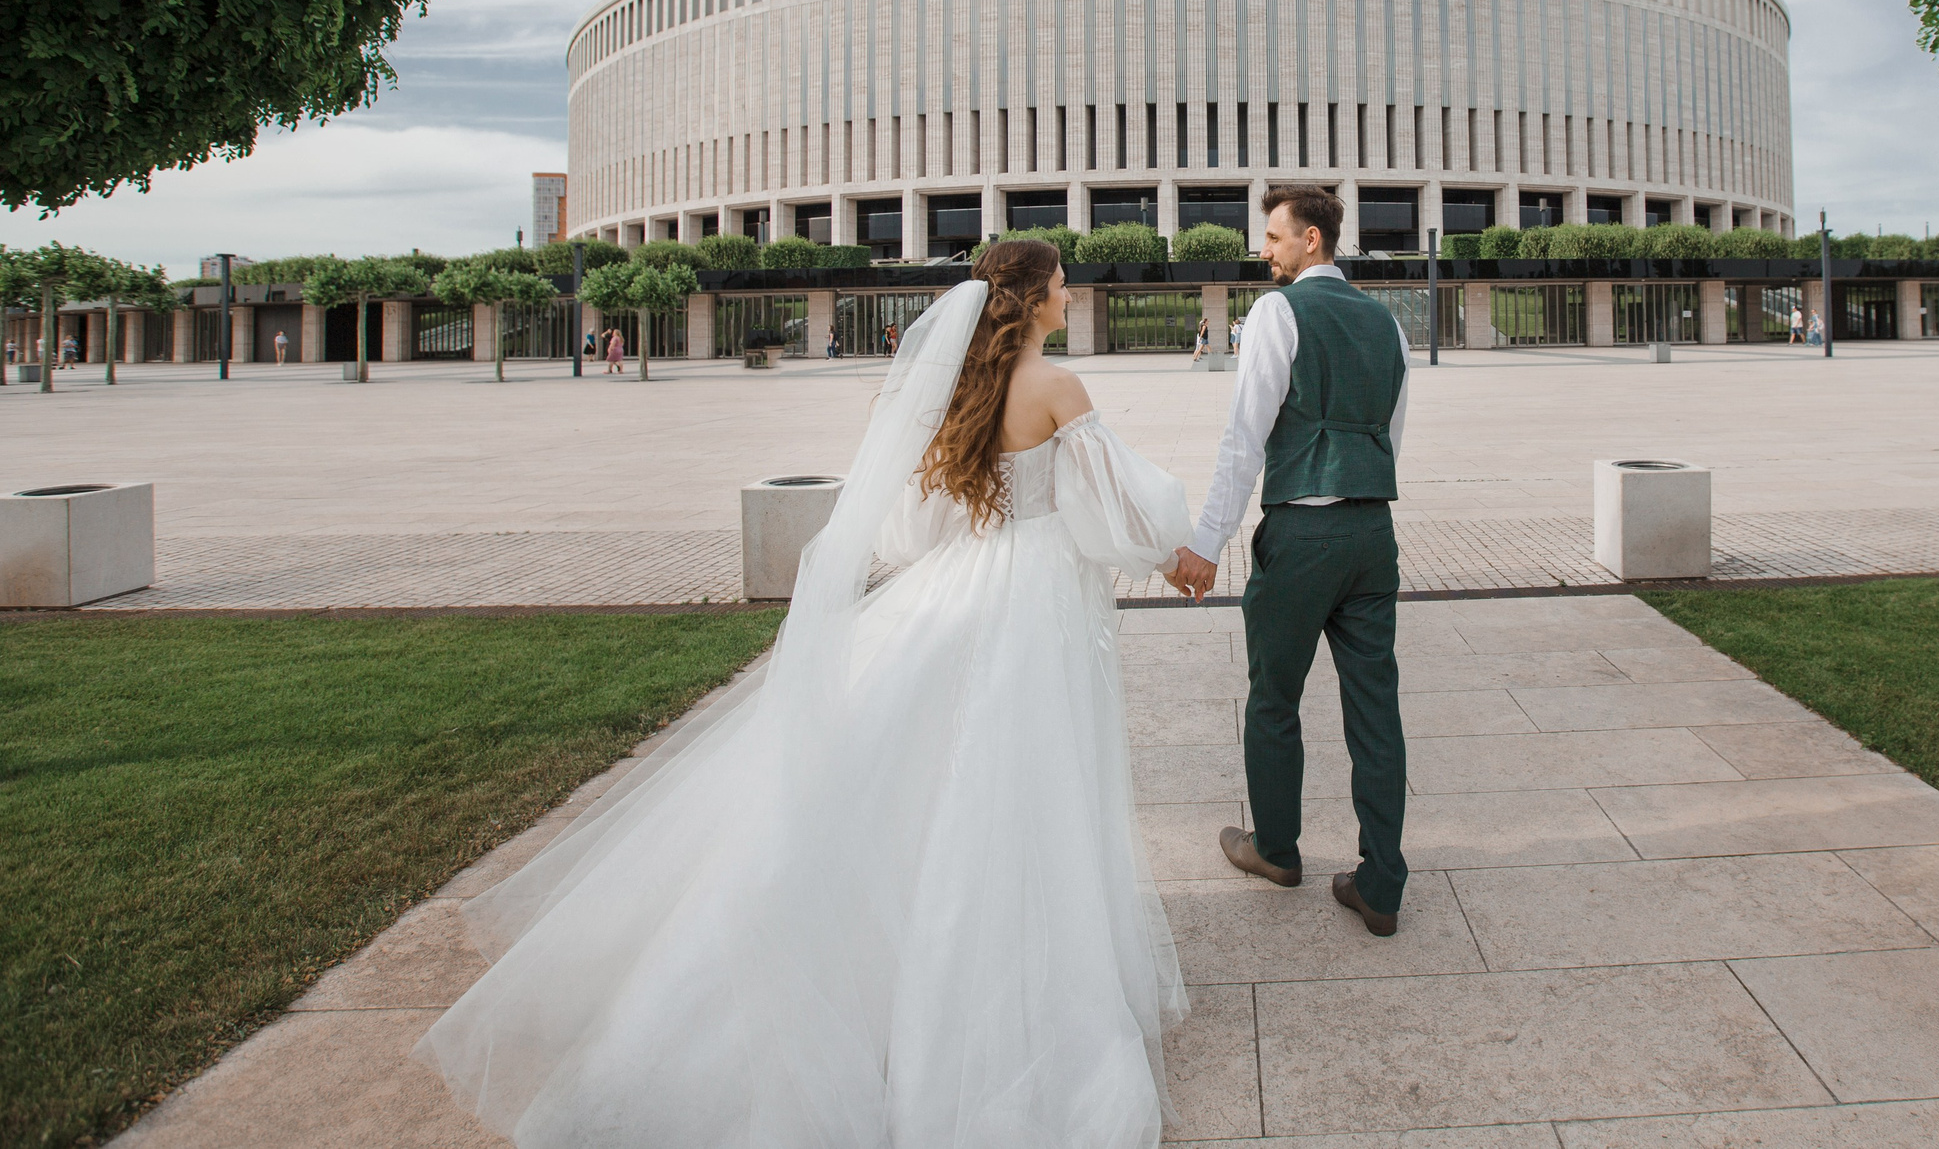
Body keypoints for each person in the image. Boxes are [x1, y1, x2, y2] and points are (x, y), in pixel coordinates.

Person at [416, 242, 1194, 1145]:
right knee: (1029, 771)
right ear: (1030, 299)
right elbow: (1113, 505)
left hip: (967, 576)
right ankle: (1018, 971)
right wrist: (1170, 554)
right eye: (1060, 283)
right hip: (1036, 590)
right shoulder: (1057, 386)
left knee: (936, 769)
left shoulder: (960, 387)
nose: (1070, 293)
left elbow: (919, 525)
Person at [1167, 185, 1411, 939]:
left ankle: (1276, 850)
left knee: (1274, 698)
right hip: (1372, 532)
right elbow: (1390, 433)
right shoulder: (1388, 323)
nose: (1263, 249)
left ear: (1311, 239)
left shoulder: (1278, 312)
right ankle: (1381, 884)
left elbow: (1245, 436)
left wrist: (1207, 543)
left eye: (1273, 236)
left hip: (1303, 533)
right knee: (1376, 708)